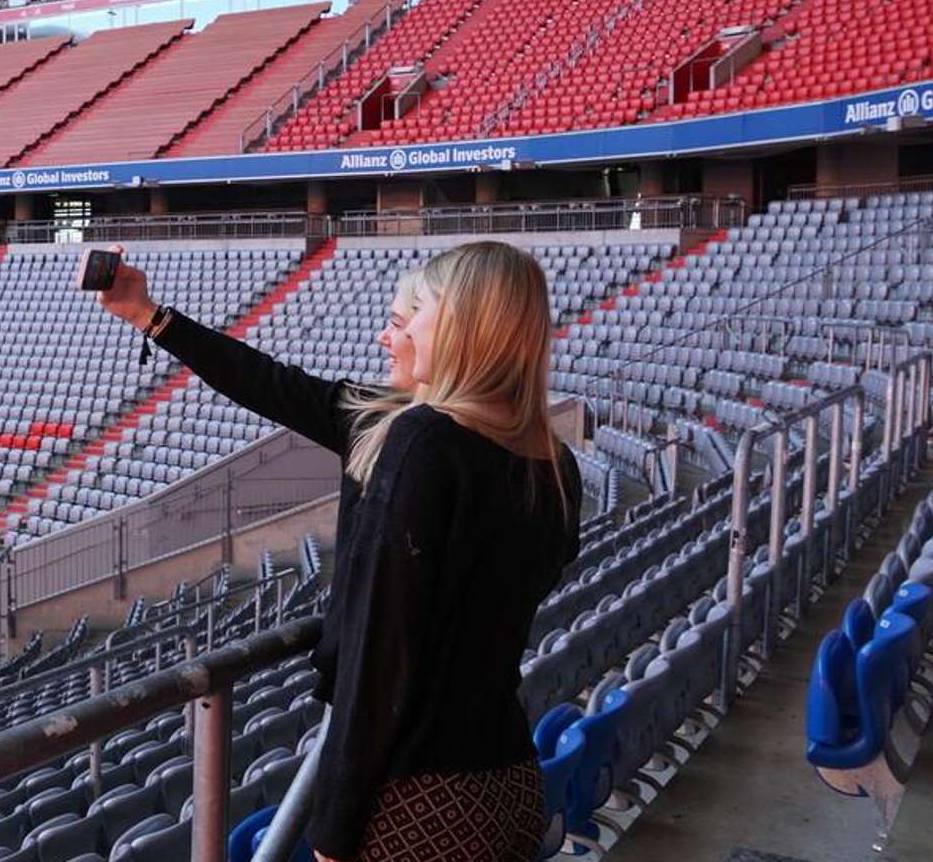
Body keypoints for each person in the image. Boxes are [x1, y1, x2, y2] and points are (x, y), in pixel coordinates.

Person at [97, 241, 580, 862]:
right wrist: (149, 316)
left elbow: (381, 654)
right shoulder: (553, 464)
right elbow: (272, 384)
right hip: (507, 776)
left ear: (462, 329)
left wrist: (335, 830)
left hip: (422, 797)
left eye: (408, 320)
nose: (391, 336)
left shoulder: (423, 443)